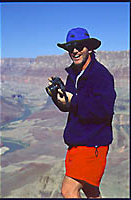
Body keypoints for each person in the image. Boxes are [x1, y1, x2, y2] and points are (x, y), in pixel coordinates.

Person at [47, 27, 116, 198]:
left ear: (90, 48)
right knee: (91, 192)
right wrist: (58, 97)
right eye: (71, 47)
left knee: (68, 191)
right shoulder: (73, 74)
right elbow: (70, 106)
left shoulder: (101, 75)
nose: (75, 51)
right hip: (77, 142)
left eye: (79, 46)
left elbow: (104, 110)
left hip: (93, 144)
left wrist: (73, 100)